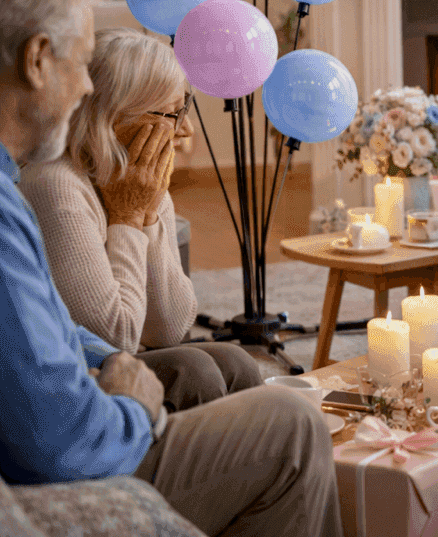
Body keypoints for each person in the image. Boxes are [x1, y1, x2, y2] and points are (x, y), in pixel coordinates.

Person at [0, 0, 341, 537]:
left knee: (229, 361)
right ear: (37, 60)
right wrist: (132, 402)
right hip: (82, 452)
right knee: (290, 421)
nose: (83, 87)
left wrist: (147, 208)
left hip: (93, 400)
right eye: (80, 63)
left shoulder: (107, 178)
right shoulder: (45, 187)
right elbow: (111, 347)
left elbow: (168, 324)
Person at [19, 27, 261, 412]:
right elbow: (115, 338)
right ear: (116, 115)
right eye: (173, 113)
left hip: (117, 352)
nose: (185, 129)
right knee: (193, 370)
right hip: (78, 373)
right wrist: (128, 218)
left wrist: (147, 214)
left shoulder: (136, 179)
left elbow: (171, 328)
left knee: (238, 363)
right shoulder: (55, 184)